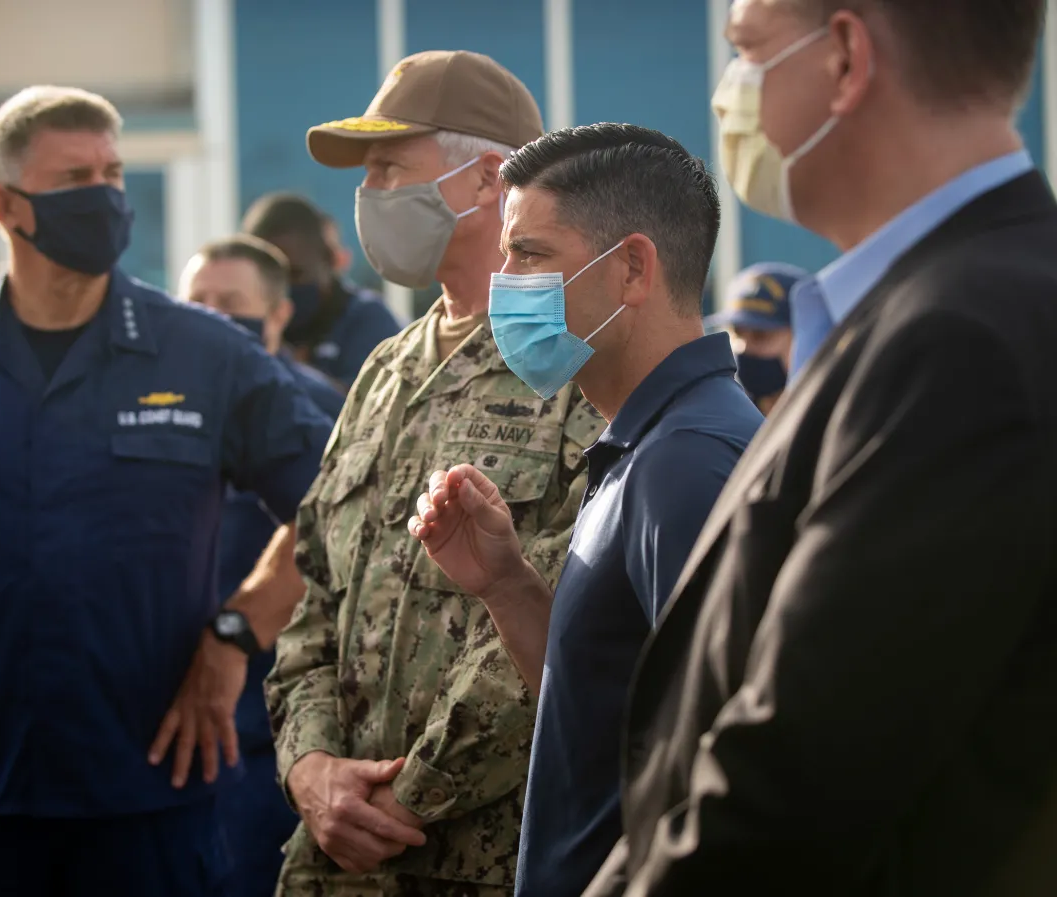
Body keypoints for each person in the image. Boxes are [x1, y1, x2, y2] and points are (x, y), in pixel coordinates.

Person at [0, 85, 334, 897]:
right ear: (7, 205)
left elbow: (326, 503)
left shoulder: (203, 353)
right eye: (78, 177)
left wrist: (231, 637)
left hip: (154, 791)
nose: (108, 196)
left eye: (114, 172)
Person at [584, 1, 1057, 894]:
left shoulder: (961, 342)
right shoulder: (934, 310)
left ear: (844, 57)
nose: (731, 94)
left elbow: (791, 784)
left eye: (748, 51)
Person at [266, 49, 606, 897]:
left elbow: (571, 615)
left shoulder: (576, 364)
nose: (371, 194)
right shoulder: (384, 368)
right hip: (334, 863)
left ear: (488, 175)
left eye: (389, 166)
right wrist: (310, 769)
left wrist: (396, 800)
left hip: (485, 863)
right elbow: (315, 599)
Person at [408, 123, 763, 897]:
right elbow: (610, 709)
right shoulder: (645, 444)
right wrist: (505, 583)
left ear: (632, 267)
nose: (505, 282)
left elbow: (735, 762)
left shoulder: (686, 461)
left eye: (530, 254)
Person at [179, 234, 345, 897]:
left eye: (232, 302)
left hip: (266, 722)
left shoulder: (326, 411)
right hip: (163, 710)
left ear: (278, 315)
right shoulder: (161, 404)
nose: (213, 316)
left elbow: (332, 541)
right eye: (198, 302)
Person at [241, 193, 400, 386]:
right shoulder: (241, 321)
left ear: (329, 261)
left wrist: (277, 360)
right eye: (269, 277)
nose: (281, 288)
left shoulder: (367, 318)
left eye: (294, 275)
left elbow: (362, 408)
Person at [705, 262, 806, 413]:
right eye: (737, 332)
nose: (743, 347)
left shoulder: (835, 409)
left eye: (761, 335)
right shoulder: (722, 415)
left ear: (802, 336)